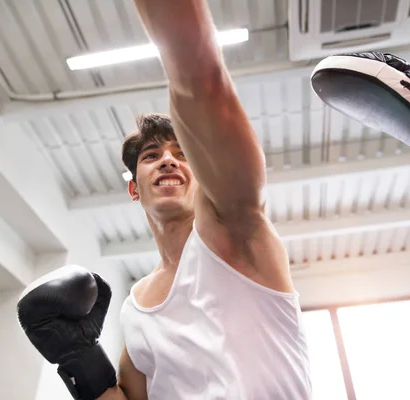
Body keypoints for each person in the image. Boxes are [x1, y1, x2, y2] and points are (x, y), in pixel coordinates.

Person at [18, 0, 312, 399]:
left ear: (201, 173)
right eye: (151, 156)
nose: (169, 160)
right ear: (133, 188)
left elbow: (202, 82)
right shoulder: (135, 307)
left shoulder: (236, 232)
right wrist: (78, 358)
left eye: (181, 153)